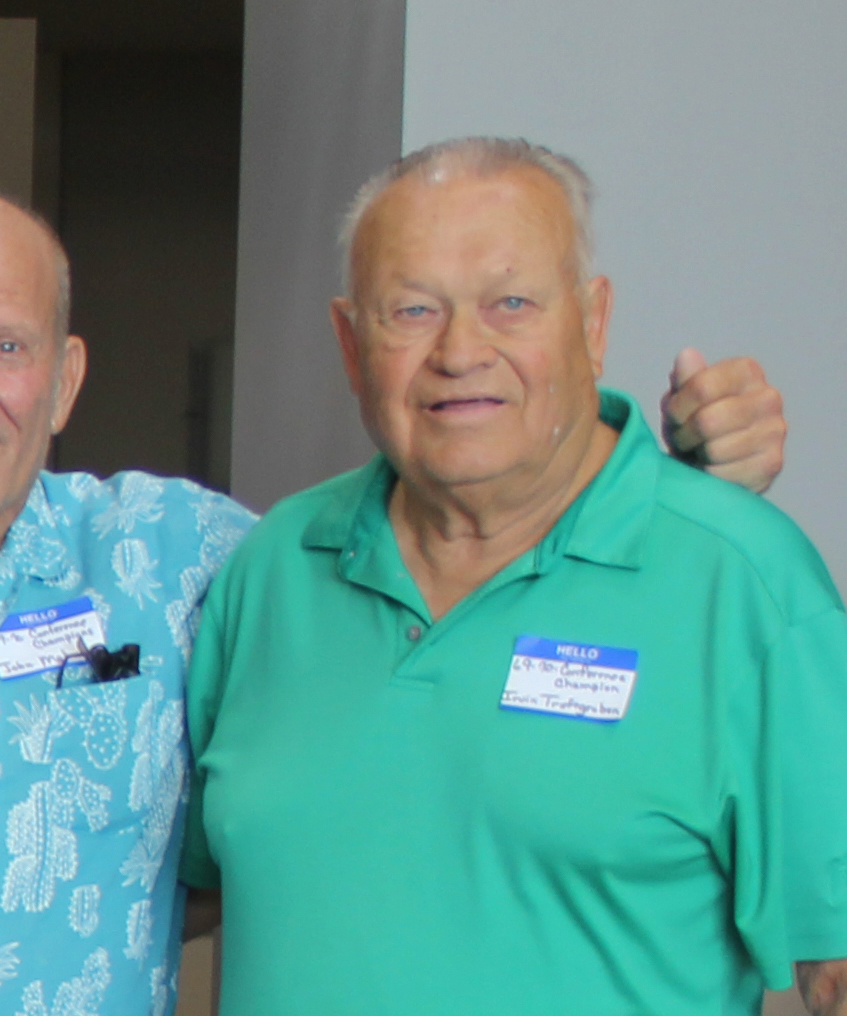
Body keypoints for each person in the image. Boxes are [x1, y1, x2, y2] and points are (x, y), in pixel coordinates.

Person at [0, 183, 793, 1015]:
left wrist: (660, 482)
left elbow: (454, 497)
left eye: (6, 346)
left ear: (67, 378)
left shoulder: (194, 563)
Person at [181, 137, 847, 1015]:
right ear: (350, 344)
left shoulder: (745, 582)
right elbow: (199, 891)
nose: (462, 351)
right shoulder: (270, 569)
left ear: (593, 323)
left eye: (512, 303)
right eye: (412, 311)